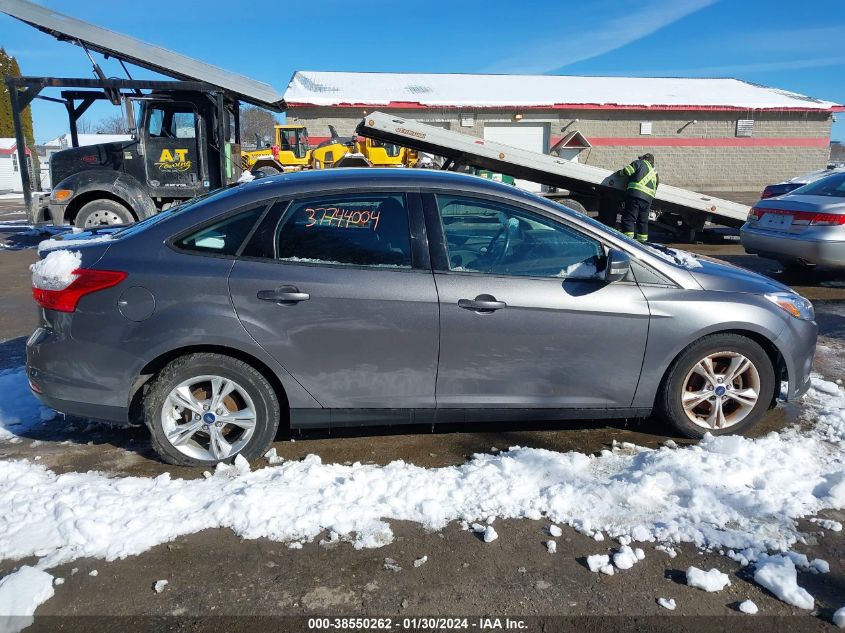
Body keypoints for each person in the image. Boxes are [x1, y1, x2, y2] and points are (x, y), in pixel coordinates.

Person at [617, 153, 659, 242]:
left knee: (629, 219)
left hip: (635, 196)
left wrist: (619, 173)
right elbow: (656, 187)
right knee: (643, 222)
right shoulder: (655, 173)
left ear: (644, 158)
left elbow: (627, 171)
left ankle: (627, 241)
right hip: (648, 200)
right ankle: (642, 242)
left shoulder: (639, 163)